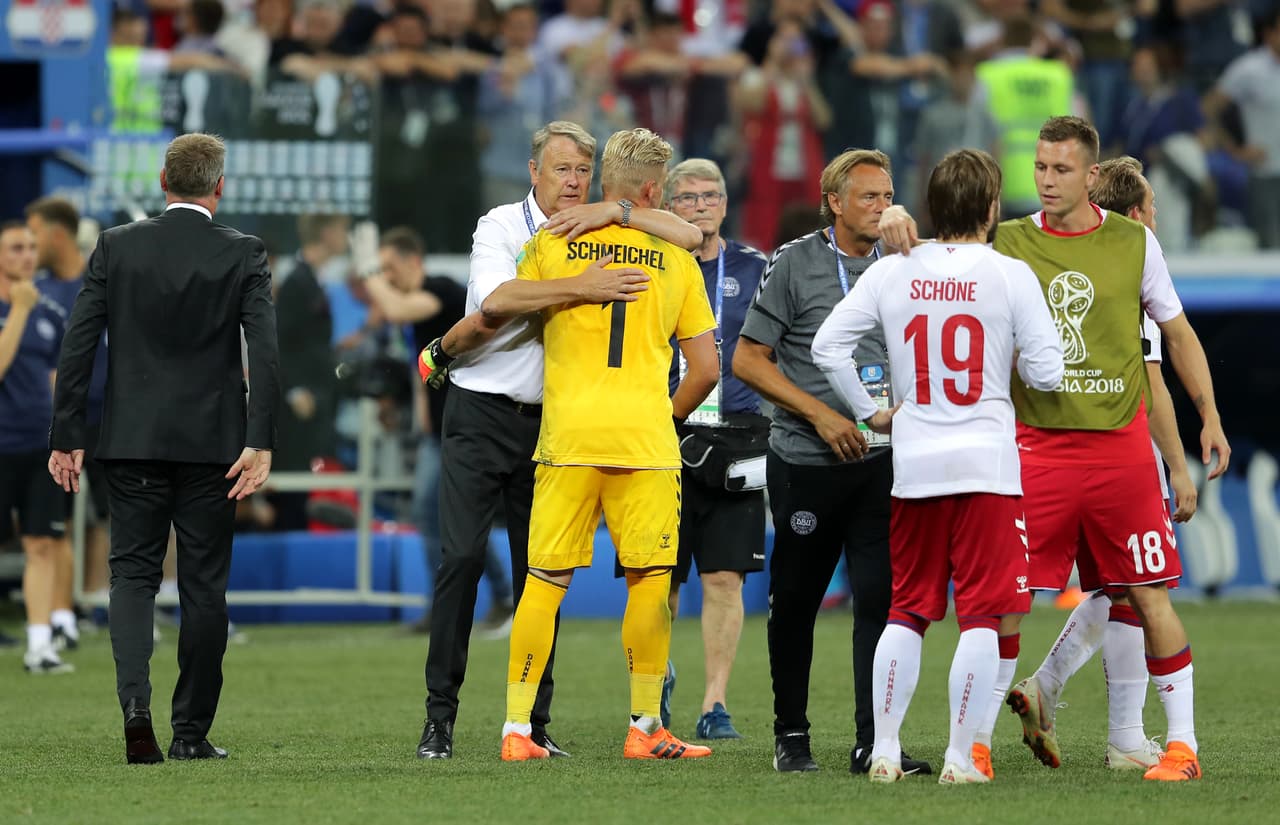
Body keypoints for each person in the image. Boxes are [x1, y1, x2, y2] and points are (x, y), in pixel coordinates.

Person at [878, 116, 1231, 782]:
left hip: (1120, 450)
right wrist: (897, 221)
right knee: (1003, 602)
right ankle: (976, 744)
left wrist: (1208, 415)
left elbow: (1177, 334)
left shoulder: (1135, 242)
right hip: (1033, 448)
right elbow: (934, 256)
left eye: (1061, 169)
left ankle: (1180, 747)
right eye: (1040, 167)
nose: (1046, 180)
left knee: (1148, 594)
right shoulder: (1008, 240)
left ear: (1091, 175)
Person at [413, 120, 700, 761]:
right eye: (561, 169)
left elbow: (689, 234)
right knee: (461, 560)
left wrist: (617, 210)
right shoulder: (502, 226)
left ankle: (532, 725)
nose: (572, 182)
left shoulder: (599, 227)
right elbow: (494, 301)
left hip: (552, 425)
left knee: (540, 573)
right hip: (482, 411)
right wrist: (582, 287)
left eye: (582, 171)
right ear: (534, 170)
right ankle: (440, 719)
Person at [812, 148, 1065, 784]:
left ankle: (885, 750)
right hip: (986, 468)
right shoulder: (1010, 275)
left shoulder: (892, 270)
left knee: (907, 610)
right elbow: (1048, 372)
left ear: (930, 207)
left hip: (915, 465)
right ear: (991, 208)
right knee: (980, 616)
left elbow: (827, 346)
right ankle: (959, 756)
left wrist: (871, 412)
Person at [48, 133, 279, 764]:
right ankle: (190, 733)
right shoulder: (244, 252)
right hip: (214, 447)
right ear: (219, 186)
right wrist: (260, 439)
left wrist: (67, 434)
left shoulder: (116, 246)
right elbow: (264, 352)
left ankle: (135, 709)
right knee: (204, 588)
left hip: (132, 440)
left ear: (162, 180)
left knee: (132, 577)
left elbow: (78, 343)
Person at [489, 126, 718, 762]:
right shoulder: (676, 259)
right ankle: (645, 726)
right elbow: (705, 369)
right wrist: (662, 416)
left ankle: (516, 730)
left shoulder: (553, 242)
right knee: (649, 582)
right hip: (643, 441)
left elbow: (502, 307)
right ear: (651, 192)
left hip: (567, 438)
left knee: (543, 582)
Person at [732, 148, 930, 776]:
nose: (880, 207)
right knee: (796, 603)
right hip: (807, 460)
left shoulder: (906, 263)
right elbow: (748, 359)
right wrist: (819, 414)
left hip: (883, 463)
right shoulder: (793, 262)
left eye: (887, 195)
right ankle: (791, 736)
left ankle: (876, 742)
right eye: (868, 196)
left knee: (881, 603)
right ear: (834, 202)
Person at [1006, 155, 1201, 775]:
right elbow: (1152, 384)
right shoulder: (1128, 277)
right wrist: (1177, 464)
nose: (1156, 223)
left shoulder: (1079, 268)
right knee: (1140, 590)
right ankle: (1126, 736)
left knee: (1117, 591)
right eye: (1153, 210)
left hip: (1058, 454)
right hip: (1115, 453)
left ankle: (1050, 695)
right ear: (1135, 215)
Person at [653, 158, 768, 740]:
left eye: (710, 196)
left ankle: (714, 703)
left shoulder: (757, 267)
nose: (700, 206)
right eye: (688, 197)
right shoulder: (651, 264)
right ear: (668, 205)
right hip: (663, 427)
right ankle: (655, 681)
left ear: (725, 204)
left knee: (725, 578)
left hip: (737, 435)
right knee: (659, 578)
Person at [353, 224, 515, 635]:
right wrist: (422, 414)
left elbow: (397, 310)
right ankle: (475, 601)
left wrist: (368, 270)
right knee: (438, 514)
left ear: (413, 261)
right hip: (441, 428)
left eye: (390, 268)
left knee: (450, 515)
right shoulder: (417, 301)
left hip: (468, 425)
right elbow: (422, 364)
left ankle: (484, 600)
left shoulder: (441, 289)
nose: (387, 278)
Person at [28, 195, 110, 648]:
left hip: (109, 415)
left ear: (57, 234)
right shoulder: (37, 292)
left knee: (106, 515)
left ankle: (97, 604)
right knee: (56, 519)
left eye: (35, 233)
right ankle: (63, 611)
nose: (30, 243)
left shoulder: (105, 282)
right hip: (55, 420)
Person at [0, 220, 71, 674]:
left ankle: (40, 646)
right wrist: (19, 311)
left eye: (30, 247)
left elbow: (57, 383)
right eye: (15, 248)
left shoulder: (50, 314)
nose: (26, 255)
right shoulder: (27, 310)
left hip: (38, 446)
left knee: (42, 543)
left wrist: (65, 436)